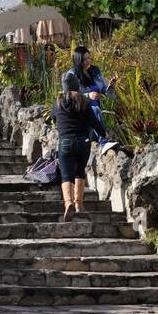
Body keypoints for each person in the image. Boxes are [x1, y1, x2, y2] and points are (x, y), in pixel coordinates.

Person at [51, 71, 93, 221]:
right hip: (83, 142)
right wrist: (103, 134)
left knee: (66, 175)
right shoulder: (84, 101)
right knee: (80, 172)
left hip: (66, 142)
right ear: (77, 85)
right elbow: (94, 122)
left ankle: (68, 202)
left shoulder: (58, 102)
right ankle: (79, 205)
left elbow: (53, 117)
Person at [72, 46, 119, 154]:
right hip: (82, 111)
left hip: (95, 113)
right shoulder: (73, 74)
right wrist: (88, 95)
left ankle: (103, 139)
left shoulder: (95, 71)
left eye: (89, 58)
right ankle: (103, 142)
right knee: (95, 109)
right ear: (78, 61)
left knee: (96, 109)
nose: (88, 61)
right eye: (84, 59)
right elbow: (71, 96)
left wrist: (111, 88)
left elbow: (106, 93)